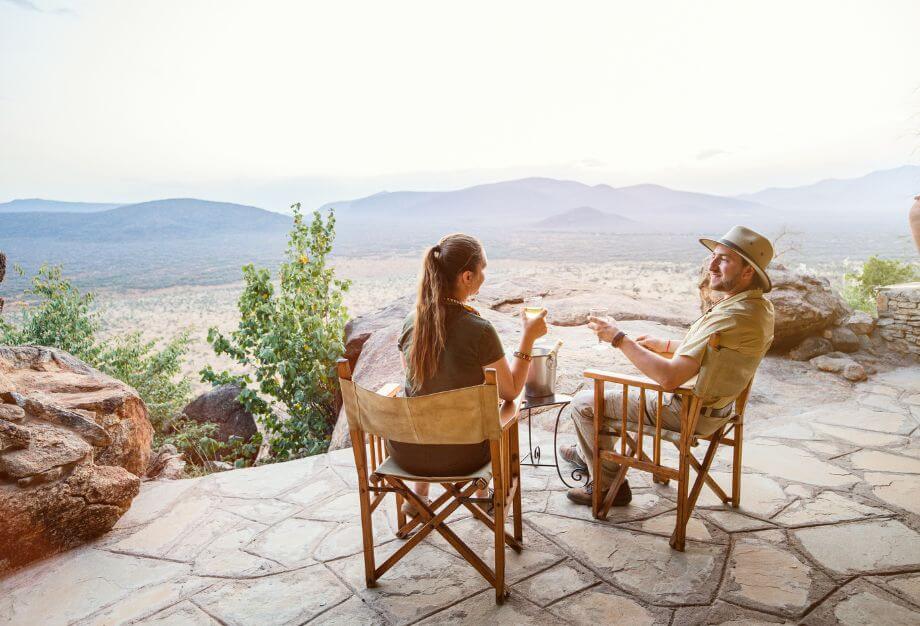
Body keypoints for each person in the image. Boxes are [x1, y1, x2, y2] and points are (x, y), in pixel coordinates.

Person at [562, 225, 776, 507]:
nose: (711, 265)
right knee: (607, 401)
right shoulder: (757, 309)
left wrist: (618, 338)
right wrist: (663, 344)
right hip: (721, 410)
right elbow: (714, 351)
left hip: (686, 411)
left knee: (584, 403)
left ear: (748, 272)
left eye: (723, 259)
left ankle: (605, 485)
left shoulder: (730, 315)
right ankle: (586, 453)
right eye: (714, 256)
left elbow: (669, 378)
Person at [393, 233, 548, 508]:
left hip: (408, 453)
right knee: (497, 409)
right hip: (463, 456)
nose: (484, 276)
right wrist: (528, 338)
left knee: (426, 399)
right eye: (482, 269)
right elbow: (511, 391)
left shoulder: (410, 321)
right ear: (467, 277)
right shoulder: (479, 330)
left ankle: (419, 495)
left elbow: (415, 382)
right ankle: (481, 494)